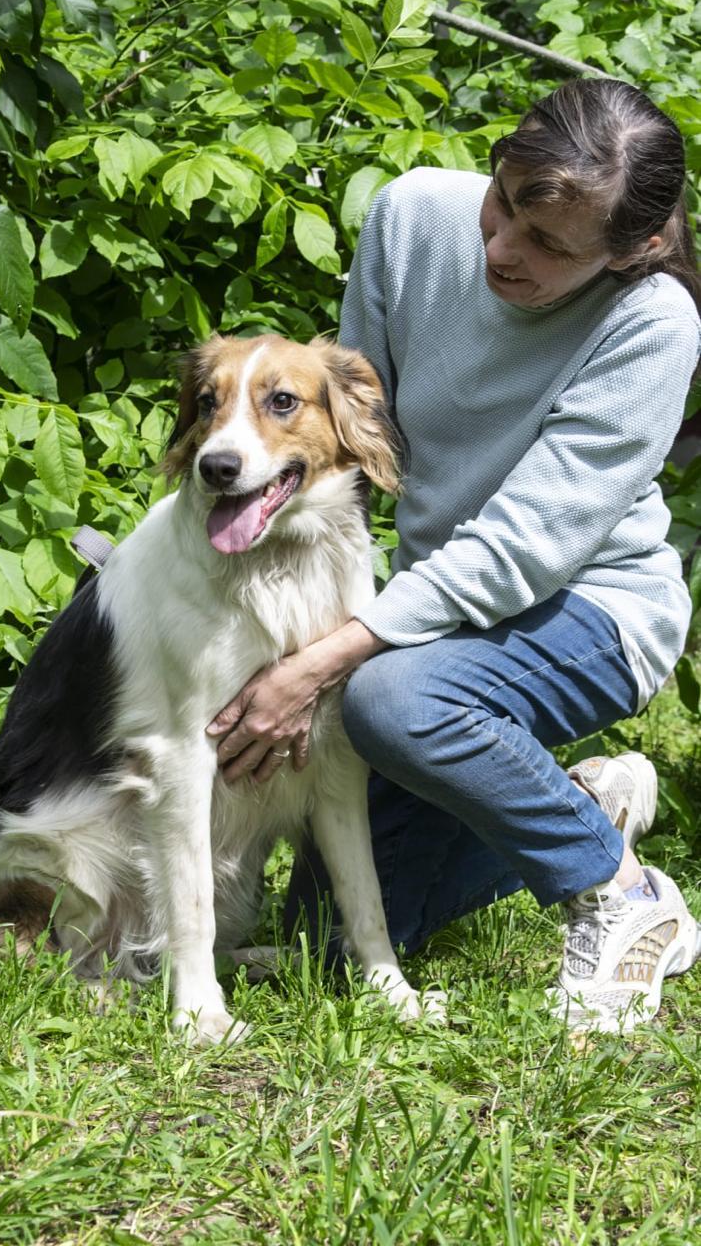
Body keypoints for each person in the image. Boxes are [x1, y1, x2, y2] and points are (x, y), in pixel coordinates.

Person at [206, 78, 701, 1033]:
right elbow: (348, 439)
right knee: (325, 944)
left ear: (633, 251)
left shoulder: (654, 325)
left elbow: (524, 551)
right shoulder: (410, 215)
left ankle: (619, 897)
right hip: (435, 613)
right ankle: (580, 802)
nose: (501, 250)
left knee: (393, 702)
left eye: (549, 244)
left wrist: (322, 662)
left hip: (590, 610)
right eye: (503, 203)